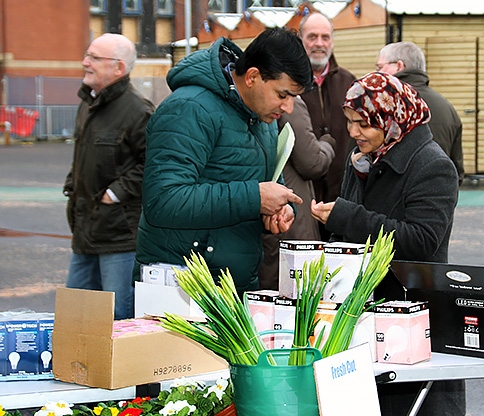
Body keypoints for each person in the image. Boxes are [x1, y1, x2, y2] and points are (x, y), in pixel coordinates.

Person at [311, 72, 462, 416]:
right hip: (362, 316)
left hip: (411, 320)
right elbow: (351, 229)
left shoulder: (433, 165)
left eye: (363, 124)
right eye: (349, 123)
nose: (353, 133)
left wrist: (347, 217)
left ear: (391, 118)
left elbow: (423, 240)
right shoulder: (363, 159)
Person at [134, 28, 313, 296]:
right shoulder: (189, 108)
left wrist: (280, 210)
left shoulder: (263, 118)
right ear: (252, 76)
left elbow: (271, 184)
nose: (288, 107)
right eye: (282, 94)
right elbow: (163, 200)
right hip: (182, 287)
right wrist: (255, 198)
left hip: (234, 285)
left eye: (293, 98)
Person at [63, 33, 155, 320]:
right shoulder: (88, 104)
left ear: (118, 68)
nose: (84, 63)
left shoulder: (138, 112)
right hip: (85, 230)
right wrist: (72, 184)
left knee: (118, 316)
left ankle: (120, 367)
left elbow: (152, 164)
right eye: (87, 55)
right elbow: (84, 156)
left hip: (119, 235)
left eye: (93, 58)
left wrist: (115, 192)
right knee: (76, 313)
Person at [257, 96, 336, 290]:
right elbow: (313, 163)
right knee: (295, 292)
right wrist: (328, 144)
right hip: (289, 212)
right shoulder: (289, 101)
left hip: (277, 210)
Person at [377, 41, 465, 185]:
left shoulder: (384, 105)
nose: (377, 73)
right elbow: (457, 170)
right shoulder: (447, 108)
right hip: (438, 197)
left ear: (399, 66)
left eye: (380, 67)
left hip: (393, 200)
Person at [299, 12, 356, 218]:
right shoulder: (289, 83)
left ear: (332, 40)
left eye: (325, 37)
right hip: (300, 197)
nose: (319, 43)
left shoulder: (349, 82)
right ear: (300, 39)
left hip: (341, 195)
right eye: (312, 37)